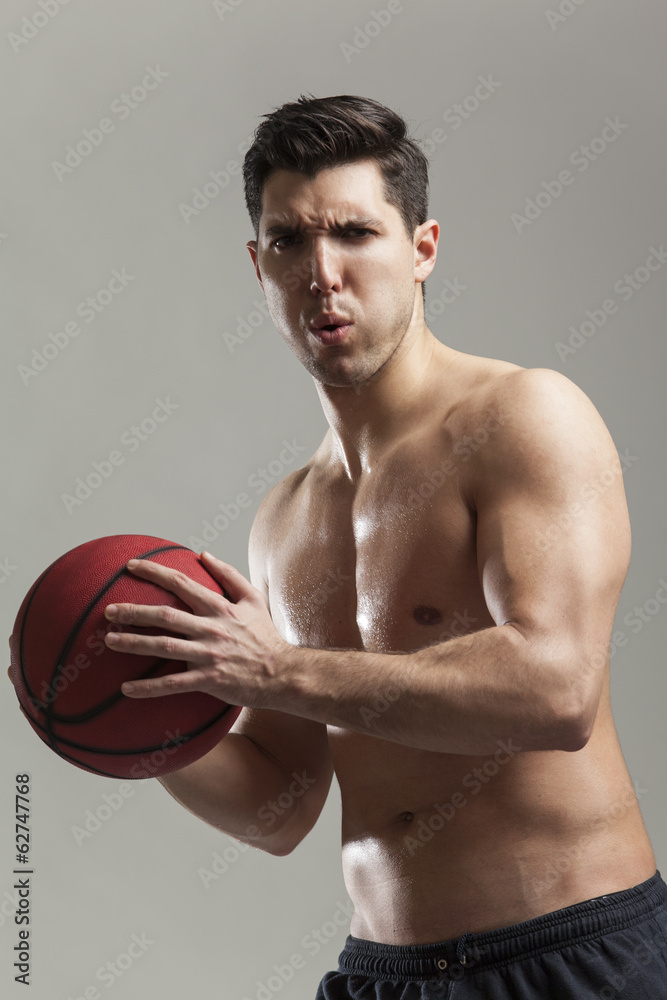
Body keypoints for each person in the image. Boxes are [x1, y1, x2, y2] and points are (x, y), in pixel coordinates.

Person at [62, 95, 667, 996]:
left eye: (353, 233)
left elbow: (554, 690)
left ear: (421, 250)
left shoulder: (522, 417)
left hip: (564, 959)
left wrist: (274, 673)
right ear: (257, 266)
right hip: (382, 971)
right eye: (288, 243)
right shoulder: (286, 518)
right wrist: (127, 718)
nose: (322, 273)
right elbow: (279, 806)